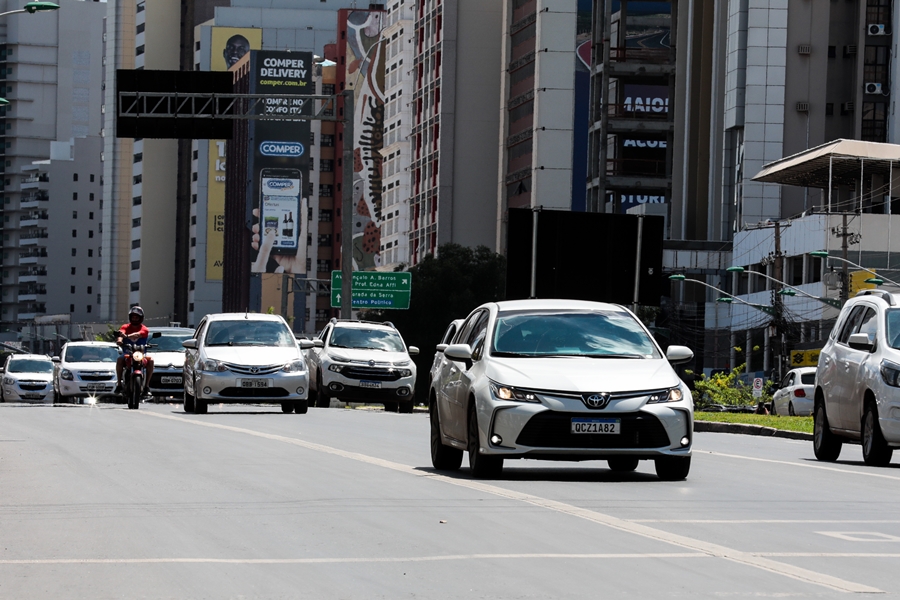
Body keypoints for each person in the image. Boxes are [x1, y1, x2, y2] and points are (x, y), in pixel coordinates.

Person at [115, 306, 154, 396]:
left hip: (140, 354)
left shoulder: (144, 329)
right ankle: (119, 385)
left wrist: (127, 336)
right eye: (133, 317)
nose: (135, 319)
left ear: (141, 318)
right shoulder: (125, 326)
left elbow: (137, 335)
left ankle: (147, 386)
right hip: (127, 353)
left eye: (137, 317)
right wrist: (120, 340)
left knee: (151, 361)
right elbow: (121, 333)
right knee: (119, 360)